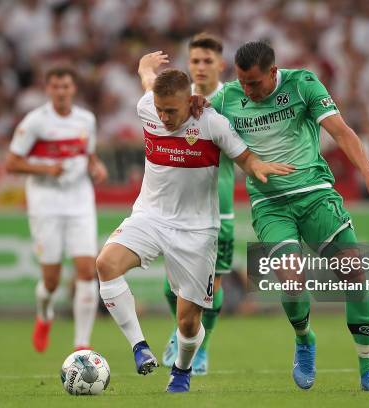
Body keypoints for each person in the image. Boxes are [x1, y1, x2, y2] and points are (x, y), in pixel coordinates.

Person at [209, 41, 369, 391]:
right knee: (292, 283)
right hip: (270, 205)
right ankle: (305, 339)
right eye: (242, 82)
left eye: (255, 82)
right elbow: (197, 124)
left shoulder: (303, 84)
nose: (248, 90)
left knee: (353, 273)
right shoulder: (228, 98)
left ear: (274, 73)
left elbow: (341, 131)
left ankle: (368, 369)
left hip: (315, 196)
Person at [95, 67, 293, 393]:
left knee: (188, 321)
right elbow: (149, 85)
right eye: (160, 109)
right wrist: (145, 67)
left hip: (197, 230)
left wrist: (261, 167)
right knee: (105, 264)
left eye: (171, 110)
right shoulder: (147, 107)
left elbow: (244, 158)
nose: (164, 116)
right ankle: (139, 346)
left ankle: (182, 370)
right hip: (150, 216)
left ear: (190, 101)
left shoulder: (212, 123)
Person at [139, 33, 229, 376]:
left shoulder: (229, 98)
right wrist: (144, 69)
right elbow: (150, 86)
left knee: (211, 284)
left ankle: (201, 350)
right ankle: (184, 335)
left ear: (220, 65)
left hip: (217, 208)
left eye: (207, 61)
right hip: (173, 209)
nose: (201, 67)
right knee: (171, 287)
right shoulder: (175, 101)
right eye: (195, 61)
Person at [6, 66, 108, 353]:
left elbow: (88, 155)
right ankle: (44, 314)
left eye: (66, 86)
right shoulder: (35, 122)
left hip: (79, 200)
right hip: (45, 202)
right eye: (55, 86)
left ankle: (81, 345)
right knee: (51, 280)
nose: (61, 91)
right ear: (47, 89)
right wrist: (45, 168)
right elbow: (11, 163)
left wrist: (96, 167)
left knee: (87, 271)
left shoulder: (86, 119)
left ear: (73, 89)